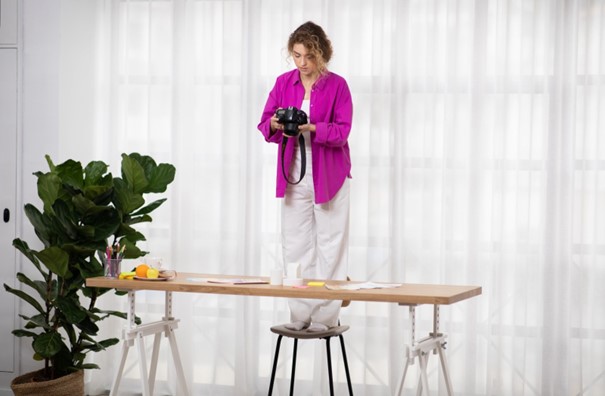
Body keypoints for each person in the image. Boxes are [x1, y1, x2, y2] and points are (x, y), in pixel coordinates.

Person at [258, 21, 353, 332]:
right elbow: (265, 124)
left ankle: (326, 317)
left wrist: (311, 127)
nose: (302, 64)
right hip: (293, 174)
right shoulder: (284, 83)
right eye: (297, 56)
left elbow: (342, 131)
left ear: (322, 55)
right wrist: (275, 122)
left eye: (309, 57)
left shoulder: (338, 85)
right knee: (295, 244)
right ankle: (300, 313)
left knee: (330, 245)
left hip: (331, 174)